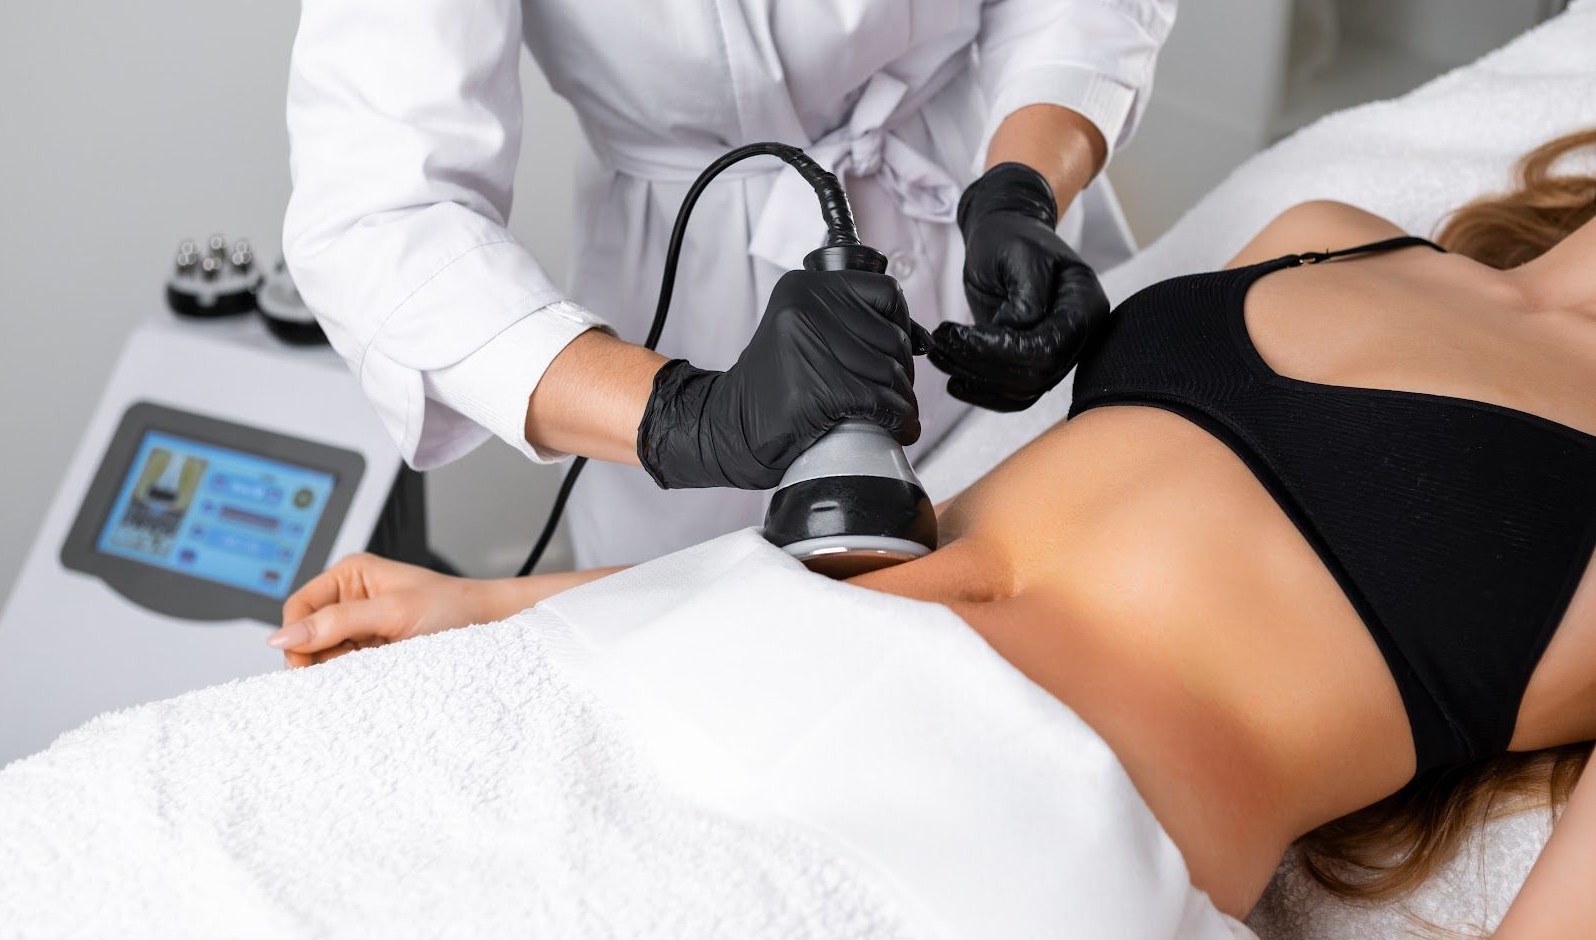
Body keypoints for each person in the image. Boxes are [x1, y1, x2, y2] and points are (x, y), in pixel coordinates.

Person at [272, 129, 1596, 929]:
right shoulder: (1333, 236)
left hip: (1014, 836)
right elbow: (923, 539)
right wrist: (508, 603)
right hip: (746, 664)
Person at [282, 0, 1176, 567]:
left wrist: (1021, 186)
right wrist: (688, 417)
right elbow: (384, 218)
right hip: (688, 347)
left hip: (988, 212)